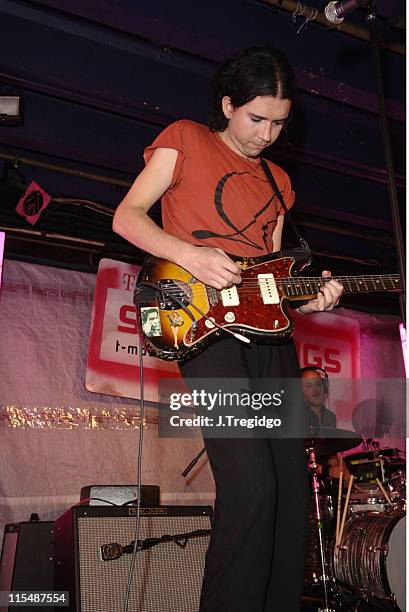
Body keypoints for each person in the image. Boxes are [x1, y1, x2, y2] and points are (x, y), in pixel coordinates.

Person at [113, 45, 343, 612]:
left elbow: (269, 278)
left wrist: (308, 303)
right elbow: (127, 216)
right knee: (250, 486)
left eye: (278, 123)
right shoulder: (186, 139)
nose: (267, 134)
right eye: (256, 118)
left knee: (290, 492)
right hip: (202, 331)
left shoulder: (279, 181)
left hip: (269, 339)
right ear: (227, 105)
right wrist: (190, 256)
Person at [301, 365, 337, 431]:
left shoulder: (331, 417)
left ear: (324, 387)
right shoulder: (296, 417)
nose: (315, 390)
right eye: (309, 386)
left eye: (318, 384)